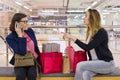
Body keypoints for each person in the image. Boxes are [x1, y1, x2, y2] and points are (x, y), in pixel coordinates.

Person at [63, 9, 115, 80]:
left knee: (80, 65)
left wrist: (72, 37)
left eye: (86, 16)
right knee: (85, 74)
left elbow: (87, 47)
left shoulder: (101, 32)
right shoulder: (90, 32)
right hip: (96, 63)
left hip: (107, 64)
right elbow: (89, 48)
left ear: (92, 19)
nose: (84, 18)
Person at [6, 13, 40, 80]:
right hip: (21, 60)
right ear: (17, 23)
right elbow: (22, 52)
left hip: (33, 60)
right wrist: (20, 36)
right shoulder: (10, 38)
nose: (26, 23)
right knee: (20, 76)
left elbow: (35, 46)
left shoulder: (29, 31)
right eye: (24, 22)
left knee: (32, 76)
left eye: (27, 21)